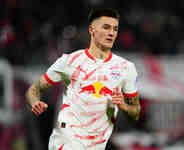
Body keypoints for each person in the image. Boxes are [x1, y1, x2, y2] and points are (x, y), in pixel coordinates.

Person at [26, 8, 141, 150]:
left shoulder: (125, 67)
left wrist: (123, 106)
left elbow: (135, 111)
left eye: (114, 29)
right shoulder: (68, 61)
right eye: (105, 28)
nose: (110, 33)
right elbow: (35, 90)